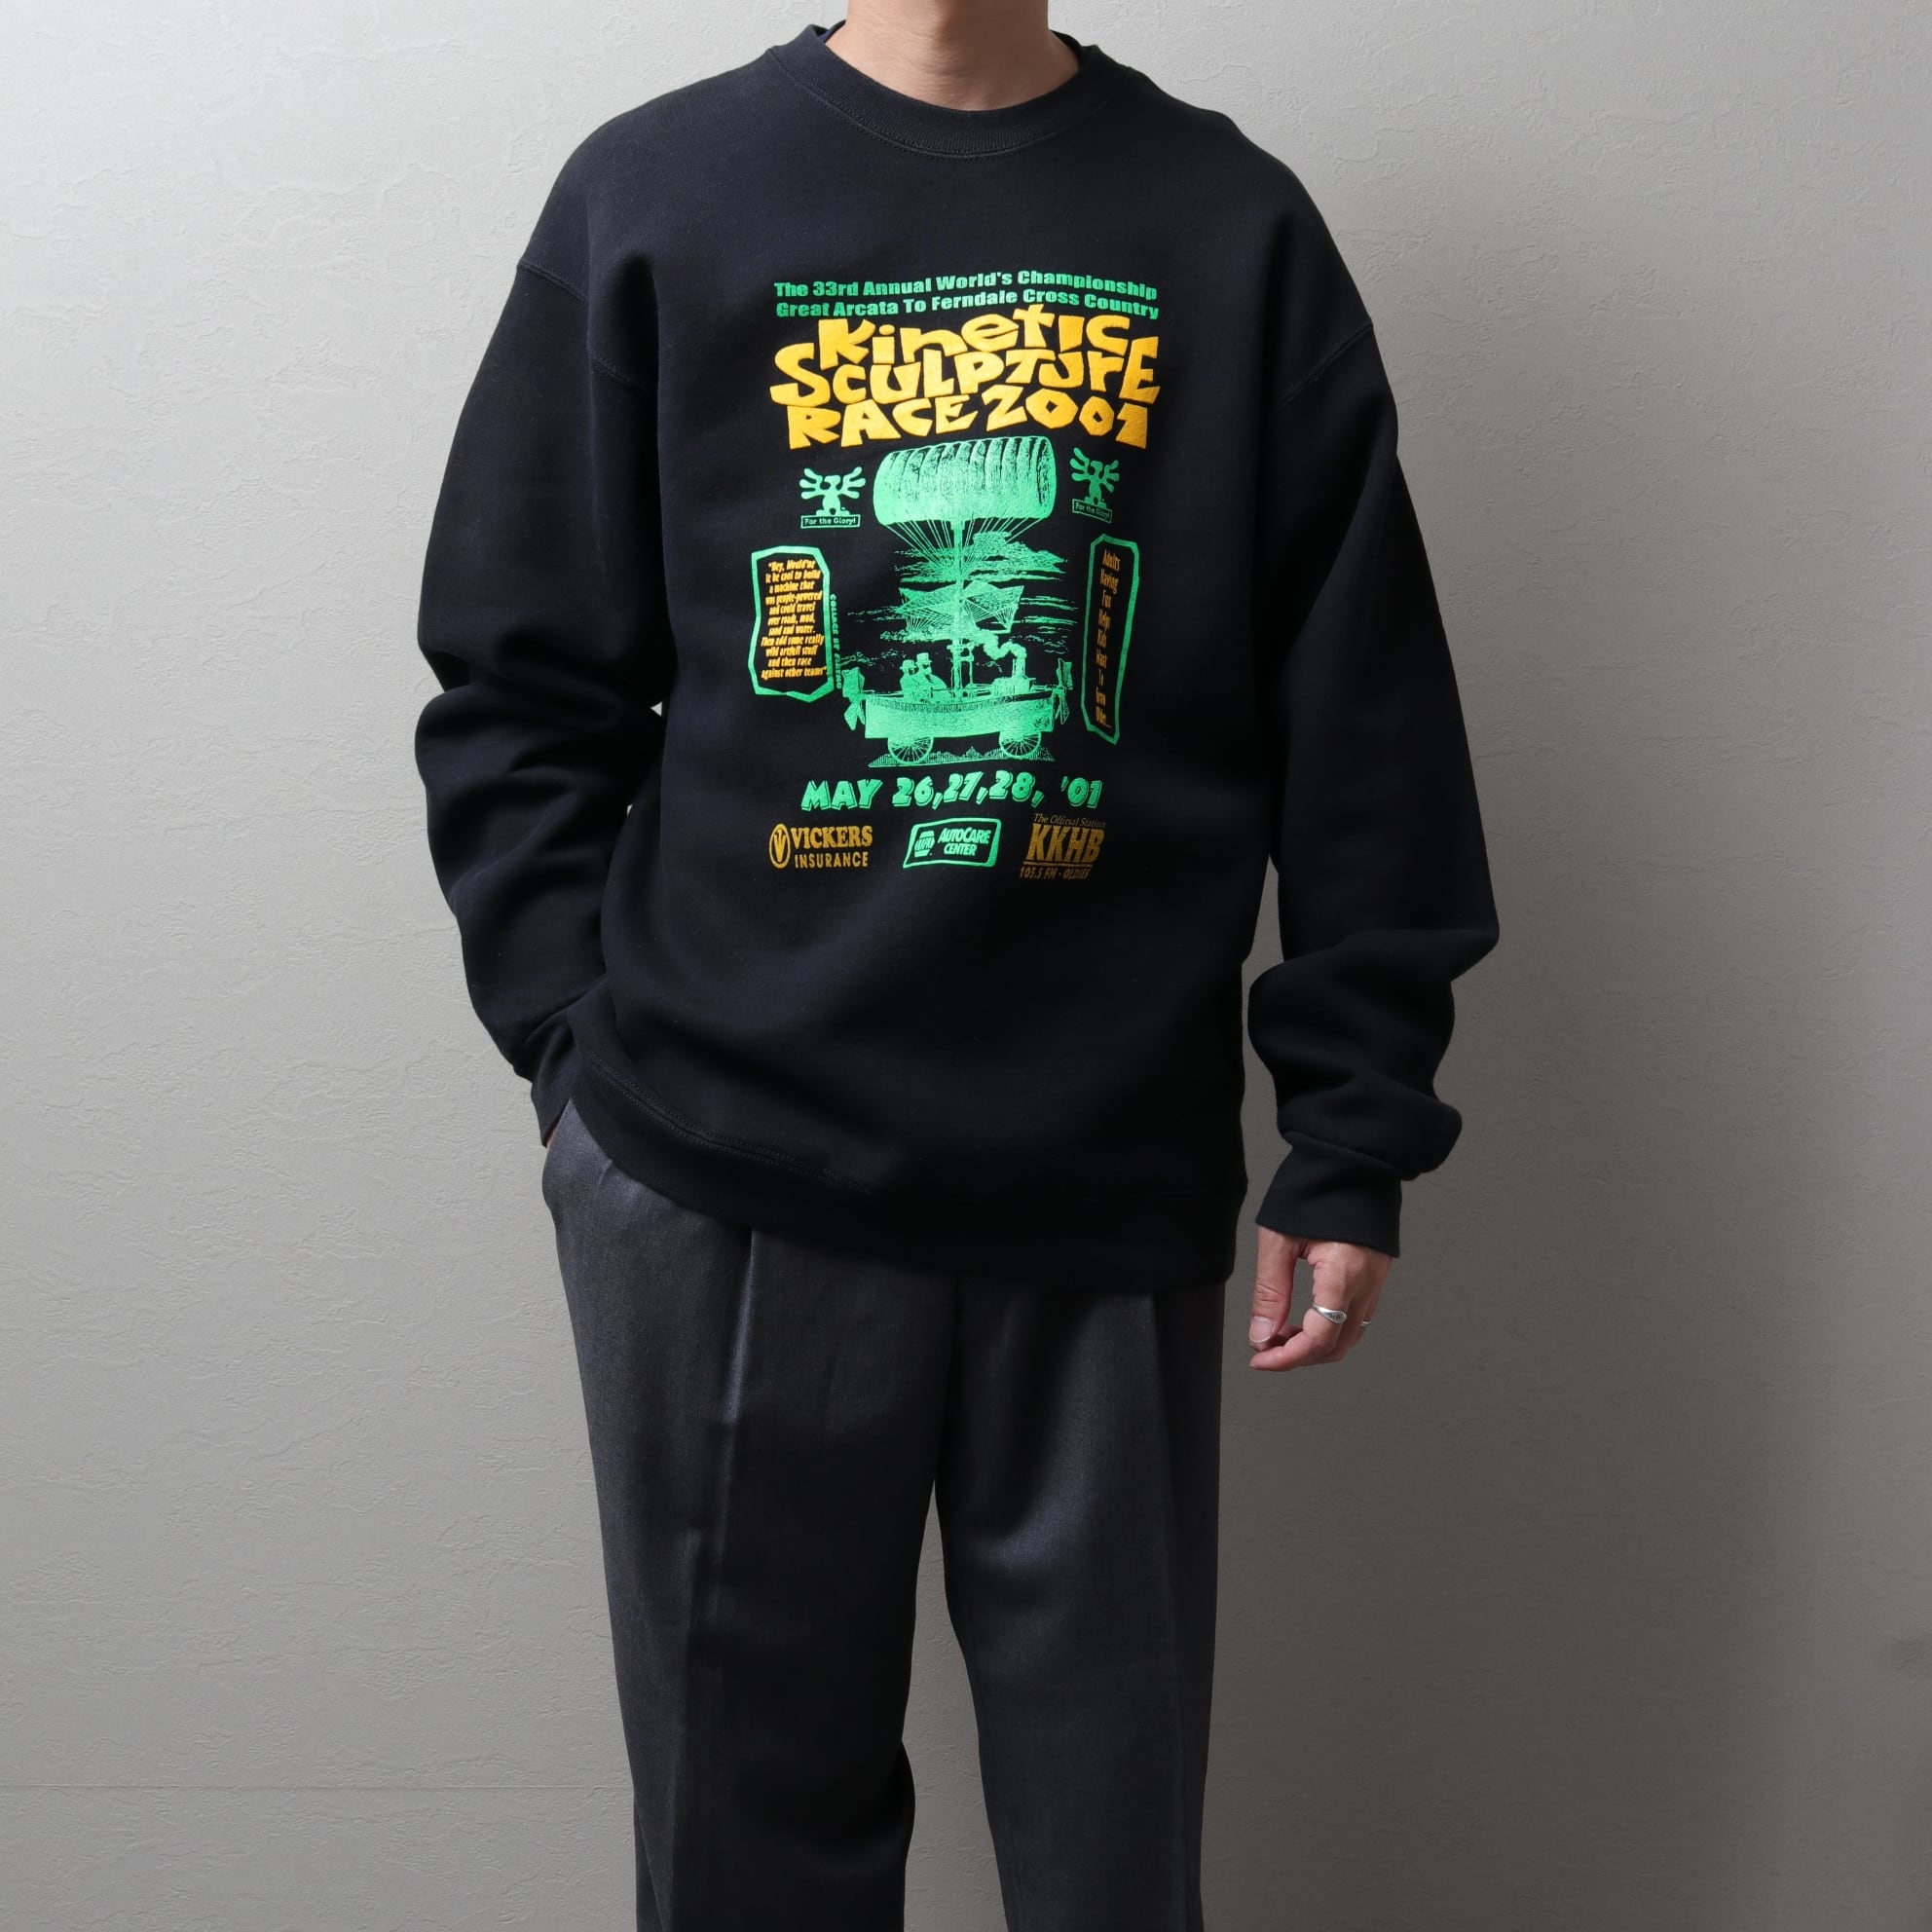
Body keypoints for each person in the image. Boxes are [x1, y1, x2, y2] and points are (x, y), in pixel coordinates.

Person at [412, 4, 1499, 1926]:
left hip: (1104, 1170)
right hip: (723, 1164)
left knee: (1108, 1860)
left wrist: (1354, 1125)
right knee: (746, 1859)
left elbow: (1362, 716)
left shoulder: (1225, 224)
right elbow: (520, 678)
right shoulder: (655, 194)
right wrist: (581, 1067)